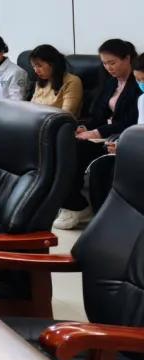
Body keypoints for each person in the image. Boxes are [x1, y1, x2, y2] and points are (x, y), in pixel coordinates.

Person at [55, 38, 141, 230]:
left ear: (127, 59)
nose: (108, 68)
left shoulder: (138, 84)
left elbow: (131, 121)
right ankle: (71, 202)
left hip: (120, 136)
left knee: (77, 150)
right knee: (64, 143)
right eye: (104, 63)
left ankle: (75, 206)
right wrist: (85, 128)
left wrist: (97, 132)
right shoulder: (110, 82)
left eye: (112, 63)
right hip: (102, 134)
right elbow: (97, 114)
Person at [28, 44, 83, 119]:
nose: (36, 71)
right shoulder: (41, 82)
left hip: (57, 124)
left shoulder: (72, 81)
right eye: (34, 66)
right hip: (35, 121)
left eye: (39, 66)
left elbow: (66, 115)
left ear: (53, 64)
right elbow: (31, 108)